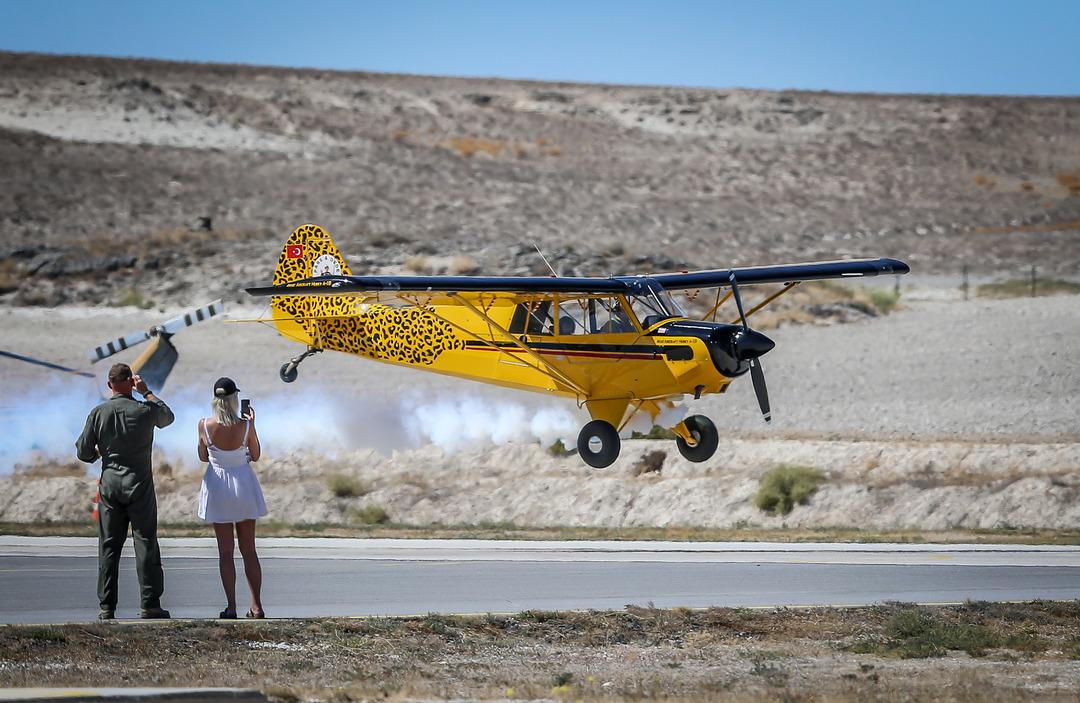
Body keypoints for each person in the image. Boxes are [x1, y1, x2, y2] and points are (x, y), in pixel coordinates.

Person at [75, 362, 175, 620]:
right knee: (145, 542)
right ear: (131, 382)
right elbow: (167, 417)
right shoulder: (144, 410)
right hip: (139, 484)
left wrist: (100, 453)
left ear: (110, 385)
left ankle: (107, 607)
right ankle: (150, 603)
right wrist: (147, 392)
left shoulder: (98, 413)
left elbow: (83, 451)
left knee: (109, 546)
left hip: (110, 485)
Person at [197, 377, 267, 619]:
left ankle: (231, 606)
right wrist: (253, 426)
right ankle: (256, 606)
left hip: (218, 487)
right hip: (243, 485)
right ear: (235, 398)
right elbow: (256, 455)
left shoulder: (204, 425)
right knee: (249, 551)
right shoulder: (245, 425)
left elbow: (203, 456)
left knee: (225, 552)